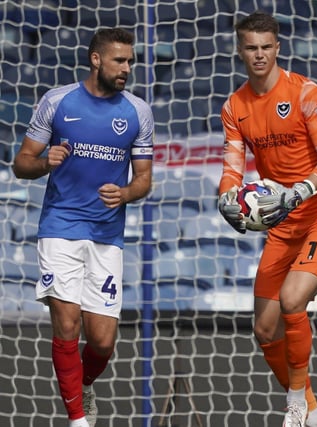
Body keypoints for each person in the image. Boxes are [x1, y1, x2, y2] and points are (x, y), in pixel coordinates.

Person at [217, 11, 317, 427]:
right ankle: (313, 415)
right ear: (239, 51)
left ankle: (295, 400)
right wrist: (226, 198)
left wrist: (300, 190)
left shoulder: (306, 93)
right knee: (264, 328)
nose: (259, 55)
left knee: (293, 300)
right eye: (250, 48)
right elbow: (233, 165)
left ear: (278, 48)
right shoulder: (234, 106)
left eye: (266, 47)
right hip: (282, 220)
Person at [12, 28, 154, 427]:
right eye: (119, 61)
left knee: (103, 342)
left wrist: (125, 194)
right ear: (96, 59)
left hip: (107, 235)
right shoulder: (57, 102)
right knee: (68, 323)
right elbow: (21, 163)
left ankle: (81, 384)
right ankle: (77, 419)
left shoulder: (138, 111)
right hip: (60, 227)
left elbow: (144, 179)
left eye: (130, 61)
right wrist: (46, 163)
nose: (127, 68)